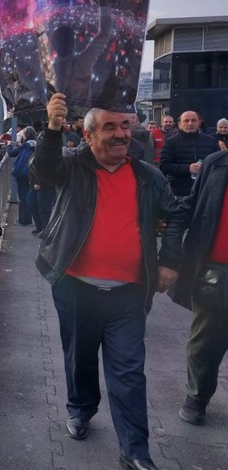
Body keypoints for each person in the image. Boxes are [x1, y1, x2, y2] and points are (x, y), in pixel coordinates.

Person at [30, 92, 181, 470]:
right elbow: (40, 174)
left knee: (129, 370)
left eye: (125, 126)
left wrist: (170, 261)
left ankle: (135, 451)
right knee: (79, 359)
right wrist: (51, 128)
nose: (120, 134)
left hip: (129, 294)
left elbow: (175, 215)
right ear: (88, 133)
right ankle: (81, 409)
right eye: (110, 127)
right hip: (76, 288)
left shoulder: (148, 176)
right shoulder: (73, 166)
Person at [162, 149, 228, 425]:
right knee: (205, 341)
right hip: (214, 271)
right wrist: (169, 248)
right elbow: (190, 205)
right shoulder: (216, 163)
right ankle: (197, 397)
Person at [160, 110, 218, 197]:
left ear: (199, 123)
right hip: (180, 192)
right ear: (179, 124)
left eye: (194, 120)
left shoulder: (210, 141)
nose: (190, 123)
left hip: (205, 190)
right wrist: (187, 168)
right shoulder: (171, 142)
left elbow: (218, 164)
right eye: (186, 120)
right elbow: (164, 166)